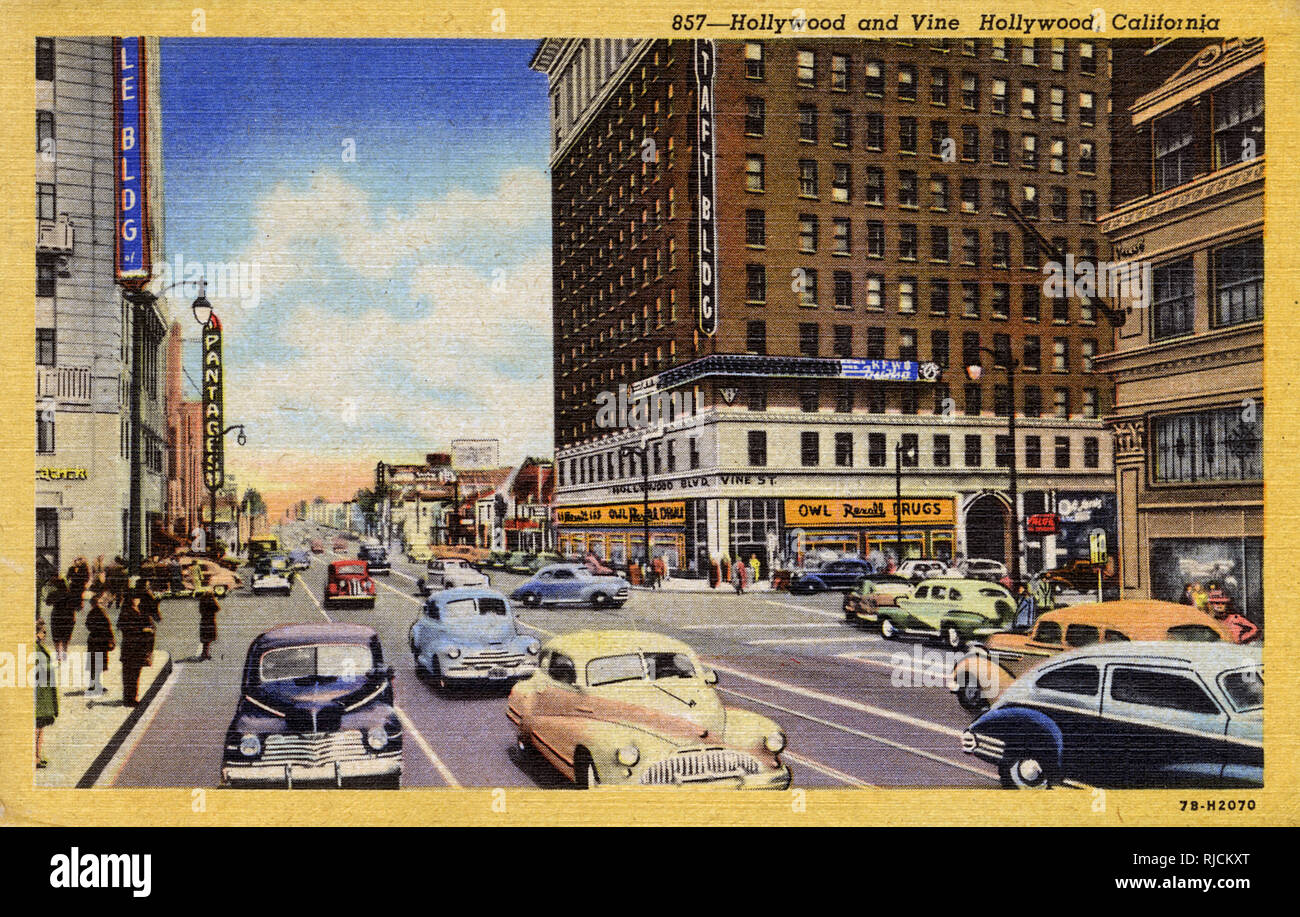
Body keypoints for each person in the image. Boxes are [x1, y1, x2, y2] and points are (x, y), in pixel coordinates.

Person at [117, 585, 157, 707]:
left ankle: (130, 697)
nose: (138, 600)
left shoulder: (134, 610)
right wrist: (143, 630)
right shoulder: (129, 612)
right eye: (136, 598)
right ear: (132, 599)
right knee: (131, 675)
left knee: (132, 674)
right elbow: (126, 628)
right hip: (132, 648)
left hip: (133, 649)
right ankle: (130, 699)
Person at [34, 618, 57, 769]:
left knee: (40, 726)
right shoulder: (34, 648)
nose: (45, 635)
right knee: (36, 727)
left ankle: (37, 756)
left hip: (43, 693)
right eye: (43, 632)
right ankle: (34, 757)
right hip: (38, 694)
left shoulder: (38, 647)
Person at [84, 589, 115, 696]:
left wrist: (94, 631)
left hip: (93, 641)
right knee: (98, 664)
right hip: (101, 641)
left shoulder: (92, 612)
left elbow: (87, 624)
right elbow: (108, 627)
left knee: (94, 664)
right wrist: (111, 639)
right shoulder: (101, 612)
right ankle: (96, 685)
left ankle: (94, 684)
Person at [47, 576, 78, 665]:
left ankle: (58, 656)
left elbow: (48, 602)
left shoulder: (54, 594)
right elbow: (75, 606)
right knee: (65, 638)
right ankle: (64, 655)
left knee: (56, 638)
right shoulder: (70, 594)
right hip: (69, 617)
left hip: (57, 617)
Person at [198, 590, 220, 660]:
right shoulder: (211, 601)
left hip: (204, 621)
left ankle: (205, 653)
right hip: (210, 621)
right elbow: (217, 608)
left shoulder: (202, 601)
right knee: (208, 639)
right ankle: (205, 654)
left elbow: (200, 610)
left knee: (205, 639)